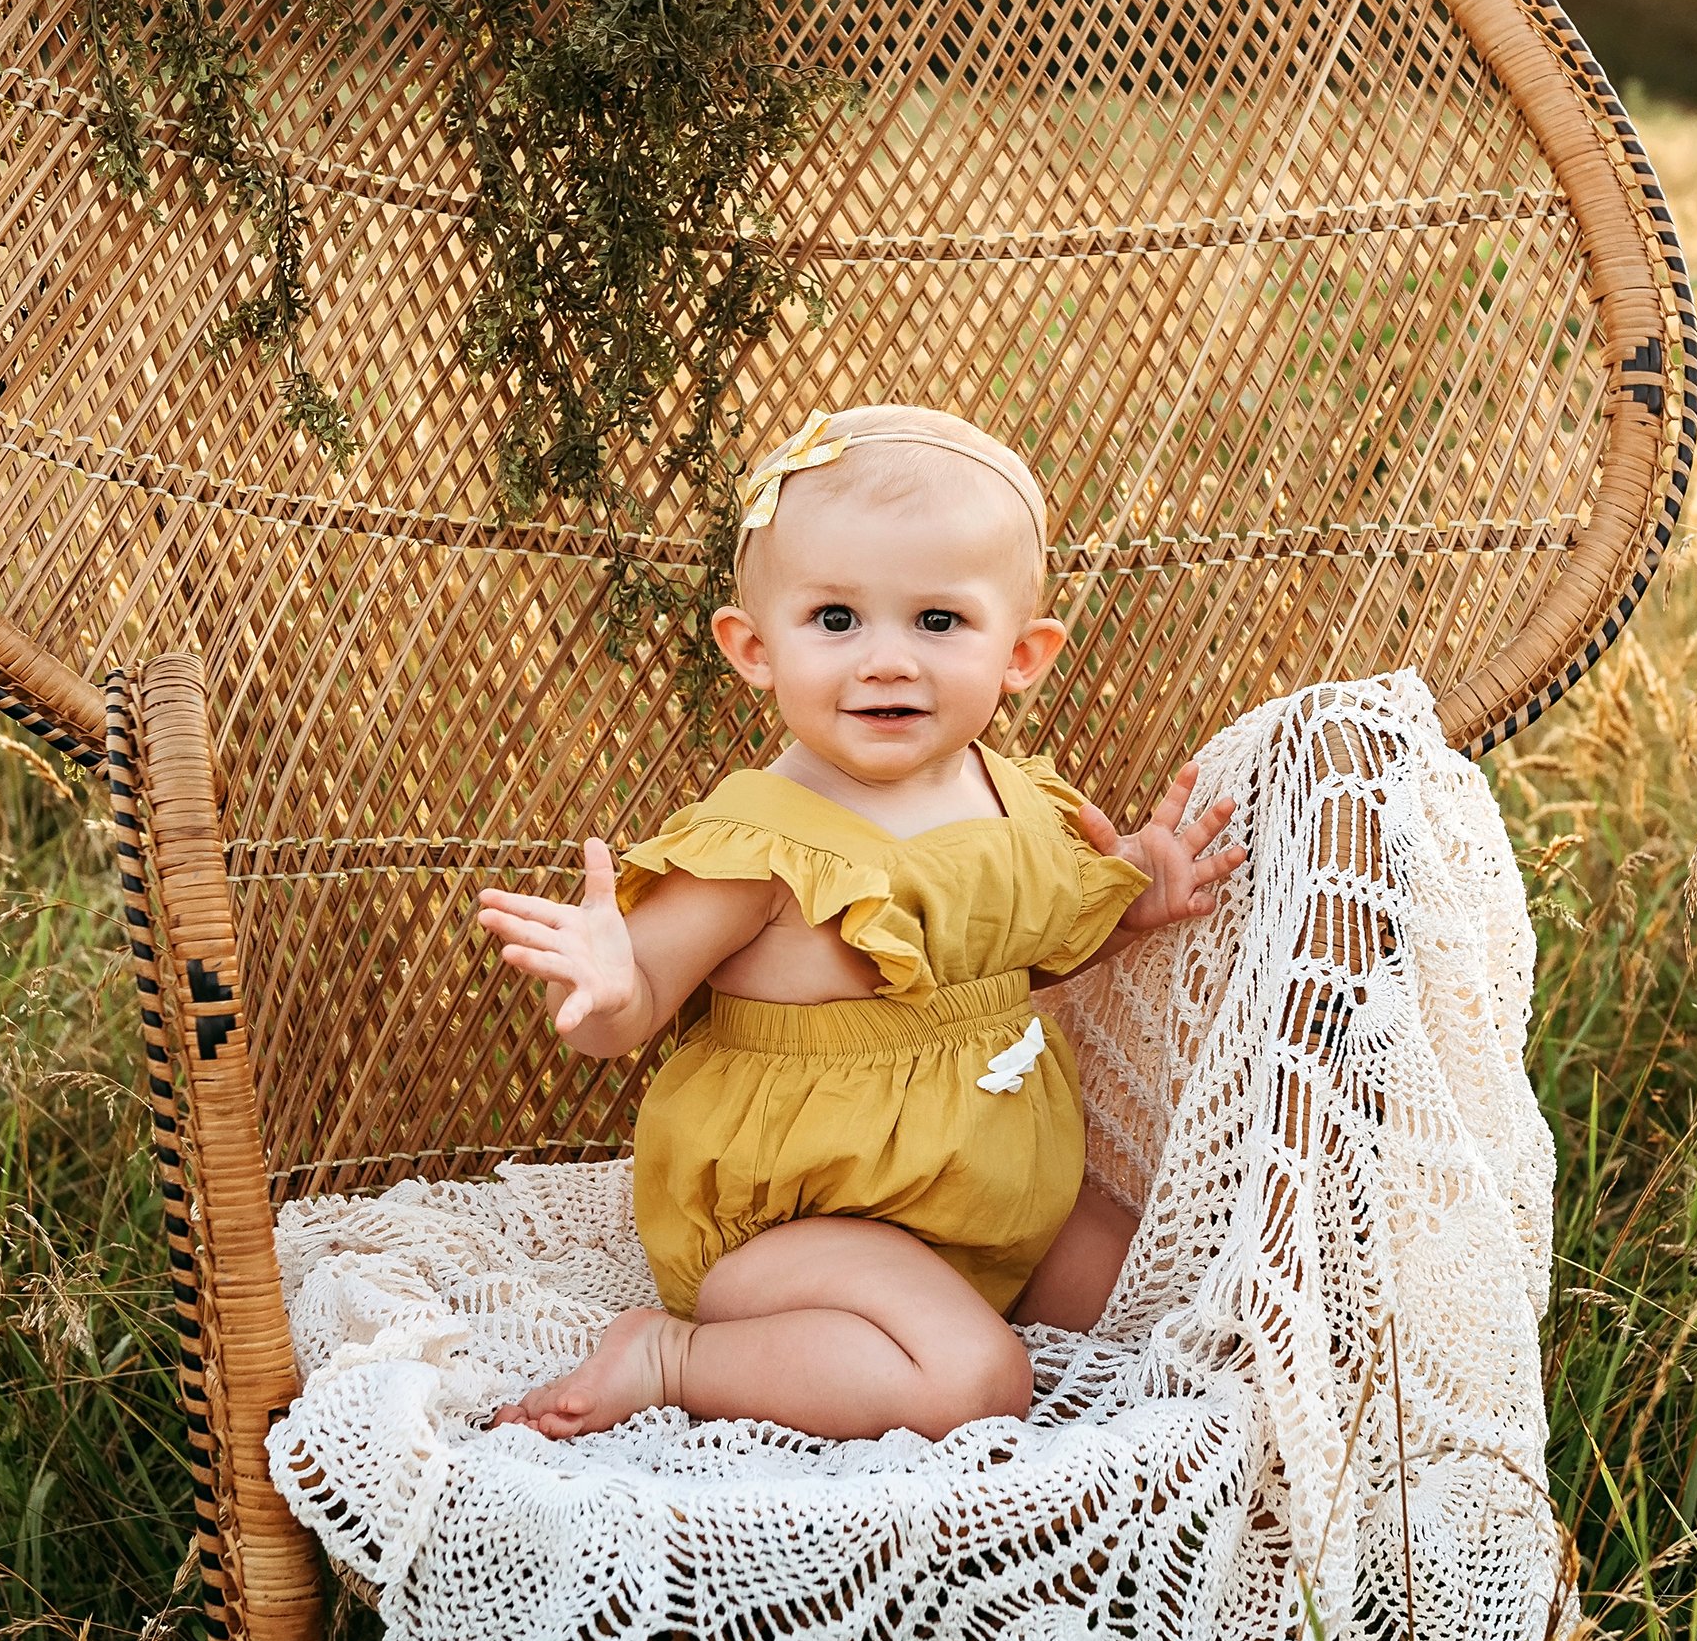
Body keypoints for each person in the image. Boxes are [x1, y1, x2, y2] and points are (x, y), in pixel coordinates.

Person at [476, 404, 1243, 1442]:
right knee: (972, 1382)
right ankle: (671, 1352)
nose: (886, 660)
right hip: (800, 1226)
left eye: (937, 622)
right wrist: (610, 987)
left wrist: (1135, 908)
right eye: (835, 620)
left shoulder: (1015, 799)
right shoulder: (761, 839)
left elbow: (1026, 947)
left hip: (989, 1190)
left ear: (1020, 654)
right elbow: (635, 1007)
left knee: (1172, 1296)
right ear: (754, 647)